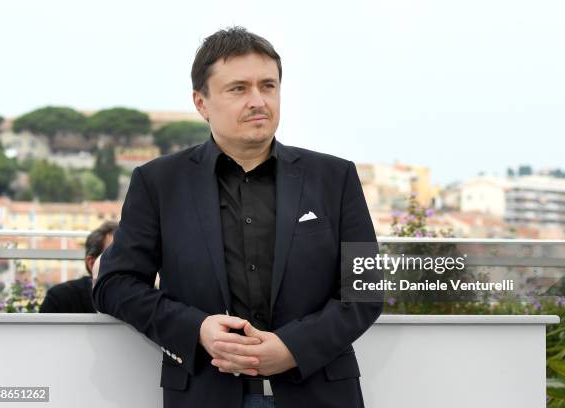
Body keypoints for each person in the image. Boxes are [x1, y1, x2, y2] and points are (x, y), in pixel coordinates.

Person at [92, 27, 382, 408]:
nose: (258, 101)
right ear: (201, 102)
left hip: (319, 392)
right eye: (238, 89)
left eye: (268, 86)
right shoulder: (158, 182)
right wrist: (197, 329)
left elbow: (364, 288)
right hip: (203, 394)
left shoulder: (335, 177)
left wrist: (292, 348)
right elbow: (115, 284)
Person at [40, 221, 117, 313]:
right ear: (92, 264)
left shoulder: (136, 301)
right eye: (116, 256)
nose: (128, 264)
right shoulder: (60, 299)